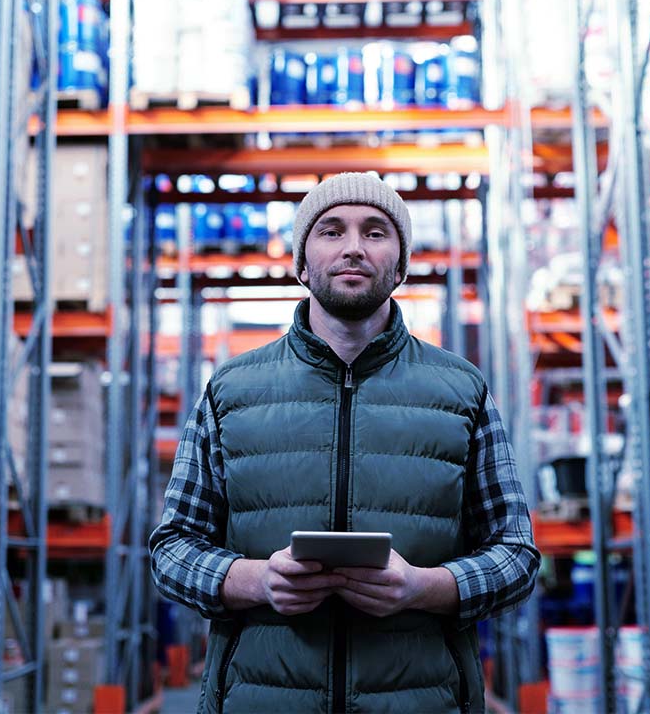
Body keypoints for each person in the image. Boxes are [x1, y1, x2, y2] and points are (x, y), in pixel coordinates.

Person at [150, 173, 540, 713]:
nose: (353, 247)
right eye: (331, 231)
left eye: (376, 232)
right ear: (302, 263)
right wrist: (258, 581)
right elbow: (172, 550)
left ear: (400, 265)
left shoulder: (462, 391)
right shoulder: (230, 392)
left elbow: (516, 554)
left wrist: (422, 587)